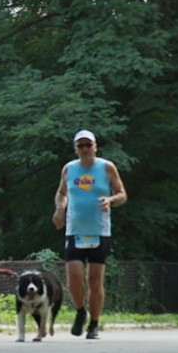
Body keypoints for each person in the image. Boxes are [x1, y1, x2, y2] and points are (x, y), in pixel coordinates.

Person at [52, 130, 128, 340]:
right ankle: (80, 311)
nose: (85, 149)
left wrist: (111, 200)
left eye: (88, 145)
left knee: (94, 280)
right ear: (76, 149)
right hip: (75, 230)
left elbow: (122, 194)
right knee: (74, 277)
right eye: (81, 146)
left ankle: (94, 324)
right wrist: (59, 209)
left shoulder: (106, 167)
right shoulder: (69, 169)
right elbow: (61, 193)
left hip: (99, 231)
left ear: (95, 146)